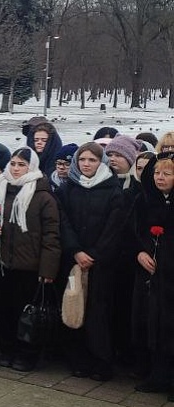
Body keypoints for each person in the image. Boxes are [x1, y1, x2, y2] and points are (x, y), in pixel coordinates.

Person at [0, 148, 60, 372]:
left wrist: (48, 270)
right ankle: (6, 349)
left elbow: (51, 235)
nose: (16, 169)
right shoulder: (1, 187)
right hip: (0, 262)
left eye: (21, 165)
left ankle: (26, 354)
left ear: (32, 167)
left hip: (28, 265)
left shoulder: (42, 195)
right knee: (1, 311)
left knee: (25, 314)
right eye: (13, 163)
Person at [58, 142, 125, 380]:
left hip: (101, 263)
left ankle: (101, 361)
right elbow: (62, 220)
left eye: (92, 160)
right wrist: (75, 250)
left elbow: (115, 227)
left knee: (99, 311)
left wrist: (95, 253)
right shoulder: (69, 187)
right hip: (74, 259)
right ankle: (77, 359)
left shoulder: (112, 189)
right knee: (74, 305)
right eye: (82, 160)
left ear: (101, 163)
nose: (86, 165)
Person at [131, 152, 174, 400]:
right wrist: (139, 252)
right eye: (157, 173)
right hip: (151, 273)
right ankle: (158, 376)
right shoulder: (143, 200)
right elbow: (132, 231)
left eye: (167, 174)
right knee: (154, 324)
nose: (160, 178)